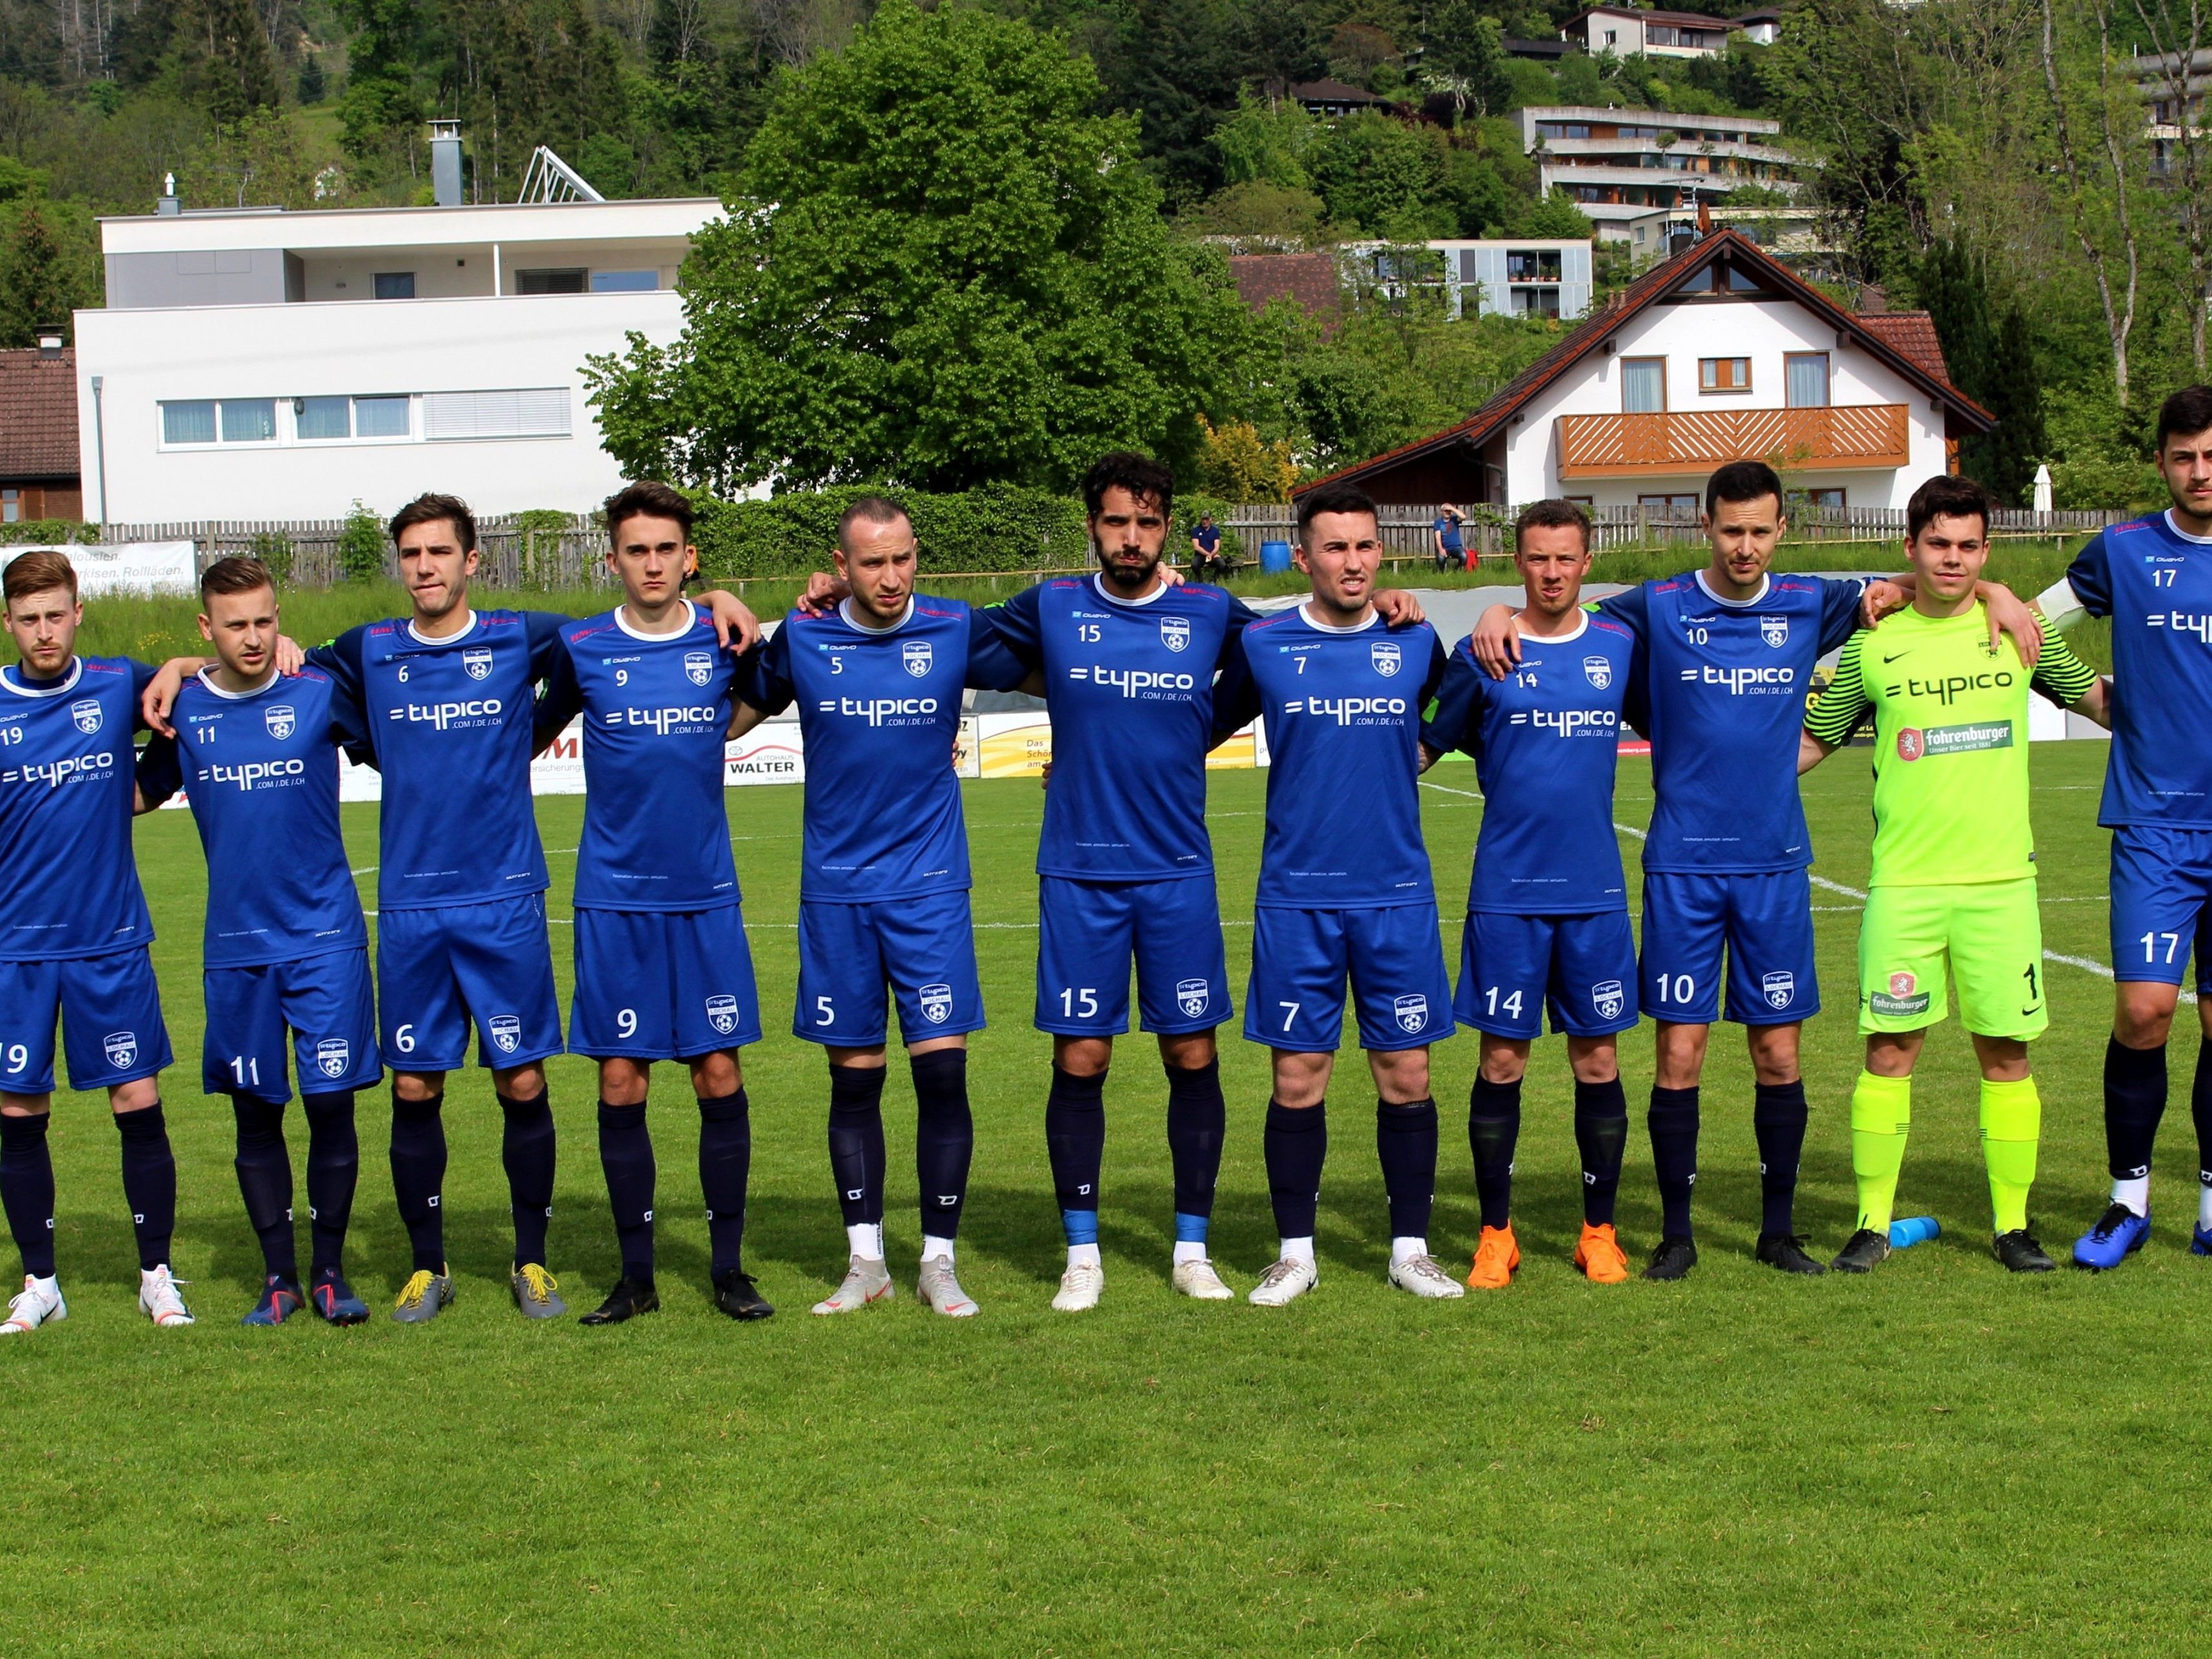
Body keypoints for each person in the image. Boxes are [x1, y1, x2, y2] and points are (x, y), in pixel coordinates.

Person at [142, 495, 758, 1324]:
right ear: (401, 567)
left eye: (440, 552)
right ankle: (426, 1267)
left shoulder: (528, 635)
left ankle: (531, 1262)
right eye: (411, 554)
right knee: (415, 1087)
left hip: (504, 898)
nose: (425, 566)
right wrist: (181, 663)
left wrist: (717, 594)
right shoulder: (363, 651)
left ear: (474, 561)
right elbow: (244, 661)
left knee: (523, 1077)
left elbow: (634, 618)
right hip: (410, 907)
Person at [1470, 460, 2040, 1279]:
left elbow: (1929, 578)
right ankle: (1676, 1234)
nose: (1745, 546)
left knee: (1779, 1055)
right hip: (1681, 869)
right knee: (1680, 1055)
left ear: (1782, 530)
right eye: (1730, 530)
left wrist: (2004, 595)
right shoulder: (1658, 607)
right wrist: (1493, 606)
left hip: (1775, 866)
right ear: (1707, 526)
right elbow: (1557, 611)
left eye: (1760, 530)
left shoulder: (1813, 601)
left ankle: (1778, 1232)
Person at [1800, 475, 2106, 1273]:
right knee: (1888, 1052)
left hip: (2001, 886)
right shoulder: (1871, 643)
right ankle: (1871, 1223)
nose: (1953, 558)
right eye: (1938, 543)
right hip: (1903, 886)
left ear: (1986, 550)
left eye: (1969, 545)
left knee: (2005, 1052)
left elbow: (2102, 703)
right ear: (1910, 547)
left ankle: (2012, 1226)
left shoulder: (2018, 630)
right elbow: (1810, 744)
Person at [735, 496, 1029, 1318]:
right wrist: (728, 606)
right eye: (872, 562)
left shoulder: (954, 627)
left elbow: (1071, 663)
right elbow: (728, 715)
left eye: (902, 558)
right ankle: (865, 1261)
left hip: (930, 889)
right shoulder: (804, 636)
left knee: (943, 1077)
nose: (890, 576)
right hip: (837, 893)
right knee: (853, 1085)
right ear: (841, 563)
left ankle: (938, 1258)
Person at [1209, 480, 1460, 1305]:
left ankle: (1410, 1248)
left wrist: (1423, 745)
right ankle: (1295, 1252)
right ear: (1304, 556)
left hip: (1396, 893)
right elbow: (1190, 726)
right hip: (1296, 898)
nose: (1352, 563)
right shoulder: (1265, 644)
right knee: (1297, 1079)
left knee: (1407, 1075)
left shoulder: (1416, 638)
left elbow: (1468, 703)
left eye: (1364, 547)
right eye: (1335, 548)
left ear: (1380, 551)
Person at [529, 483, 773, 1326]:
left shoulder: (722, 636)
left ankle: (729, 1269)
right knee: (623, 1078)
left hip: (705, 899)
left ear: (689, 557)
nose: (652, 563)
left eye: (666, 549)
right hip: (614, 901)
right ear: (614, 560)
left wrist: (726, 609)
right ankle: (635, 1277)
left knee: (717, 1071)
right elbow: (521, 733)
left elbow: (754, 705)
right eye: (636, 550)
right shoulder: (583, 645)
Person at [135, 556, 382, 1327]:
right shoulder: (186, 708)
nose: (253, 636)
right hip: (236, 948)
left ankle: (331, 1271)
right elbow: (134, 794)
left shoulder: (319, 691)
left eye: (264, 620)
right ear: (206, 630)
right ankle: (278, 1277)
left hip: (326, 938)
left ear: (281, 617)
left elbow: (401, 731)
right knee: (256, 1112)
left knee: (333, 1103)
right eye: (234, 623)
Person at [1421, 500, 1643, 1288]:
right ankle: (1495, 1234)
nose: (1551, 572)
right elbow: (1418, 745)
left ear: (1587, 563)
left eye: (1565, 558)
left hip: (1594, 894)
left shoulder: (1620, 646)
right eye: (1537, 558)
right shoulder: (1485, 651)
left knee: (1597, 1061)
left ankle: (1598, 1231)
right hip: (1506, 893)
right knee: (1503, 1062)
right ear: (1518, 561)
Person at [2039, 385, 2212, 1268]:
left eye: (2210, 456)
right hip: (2153, 824)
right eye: (2182, 456)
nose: (2198, 472)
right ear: (2159, 462)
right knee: (2144, 1011)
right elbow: (2030, 627)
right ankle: (2127, 1200)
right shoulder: (2124, 548)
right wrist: (2096, 700)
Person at [0, 551, 191, 1334]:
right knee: (18, 1110)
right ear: (9, 623)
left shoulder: (117, 682)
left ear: (78, 611)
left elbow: (191, 701)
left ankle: (157, 1273)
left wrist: (143, 789)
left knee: (136, 1100)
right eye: (28, 618)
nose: (44, 631)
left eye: (55, 614)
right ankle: (40, 1281)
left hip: (108, 938)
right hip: (15, 946)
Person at [1190, 514, 1222, 580]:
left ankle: (1214, 580)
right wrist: (1208, 555)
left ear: (1210, 519)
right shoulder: (1196, 530)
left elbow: (1217, 547)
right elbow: (1196, 547)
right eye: (1203, 519)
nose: (1205, 521)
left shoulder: (1215, 531)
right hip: (1200, 556)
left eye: (1206, 519)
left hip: (1212, 555)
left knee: (1222, 564)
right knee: (1194, 565)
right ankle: (1201, 580)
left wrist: (1211, 555)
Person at [1432, 506, 1465, 573]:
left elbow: (1463, 517)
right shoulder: (1438, 523)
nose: (1448, 512)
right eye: (1446, 511)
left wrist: (1452, 508)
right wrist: (1441, 549)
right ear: (1442, 512)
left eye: (1449, 511)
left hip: (1456, 547)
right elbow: (1437, 537)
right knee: (1441, 559)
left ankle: (1457, 572)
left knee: (1464, 556)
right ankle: (1441, 575)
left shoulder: (1454, 520)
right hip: (1445, 548)